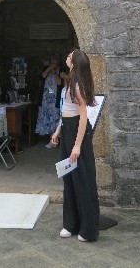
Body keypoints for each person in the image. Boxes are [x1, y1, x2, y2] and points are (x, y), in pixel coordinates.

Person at [51, 49, 100, 242]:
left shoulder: (78, 86)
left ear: (75, 62)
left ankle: (88, 229)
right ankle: (70, 224)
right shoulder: (70, 82)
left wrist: (77, 146)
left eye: (70, 55)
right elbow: (66, 111)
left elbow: (82, 117)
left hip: (77, 132)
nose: (67, 56)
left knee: (82, 179)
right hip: (68, 128)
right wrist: (58, 130)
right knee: (69, 178)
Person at [35, 55, 63, 147]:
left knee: (55, 119)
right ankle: (52, 140)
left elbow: (59, 83)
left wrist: (55, 72)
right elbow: (41, 77)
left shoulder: (61, 70)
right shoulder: (46, 69)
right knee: (47, 119)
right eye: (52, 59)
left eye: (55, 59)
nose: (53, 61)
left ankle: (54, 141)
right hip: (45, 100)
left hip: (55, 100)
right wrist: (49, 69)